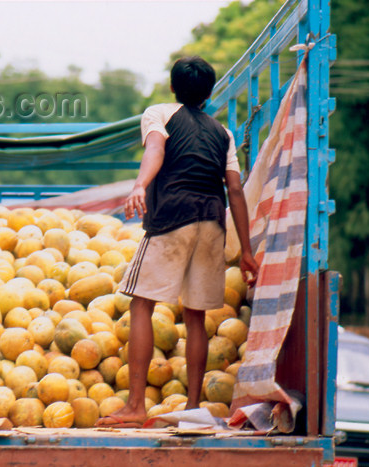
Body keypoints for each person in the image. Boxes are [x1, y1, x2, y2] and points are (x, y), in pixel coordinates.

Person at [96, 56, 258, 428]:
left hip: (173, 217)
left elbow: (155, 149)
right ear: (209, 93)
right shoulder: (224, 133)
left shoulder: (160, 113)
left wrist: (140, 184)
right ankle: (192, 408)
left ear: (172, 87)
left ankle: (136, 405)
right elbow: (235, 189)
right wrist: (246, 252)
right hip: (212, 223)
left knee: (141, 305)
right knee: (197, 317)